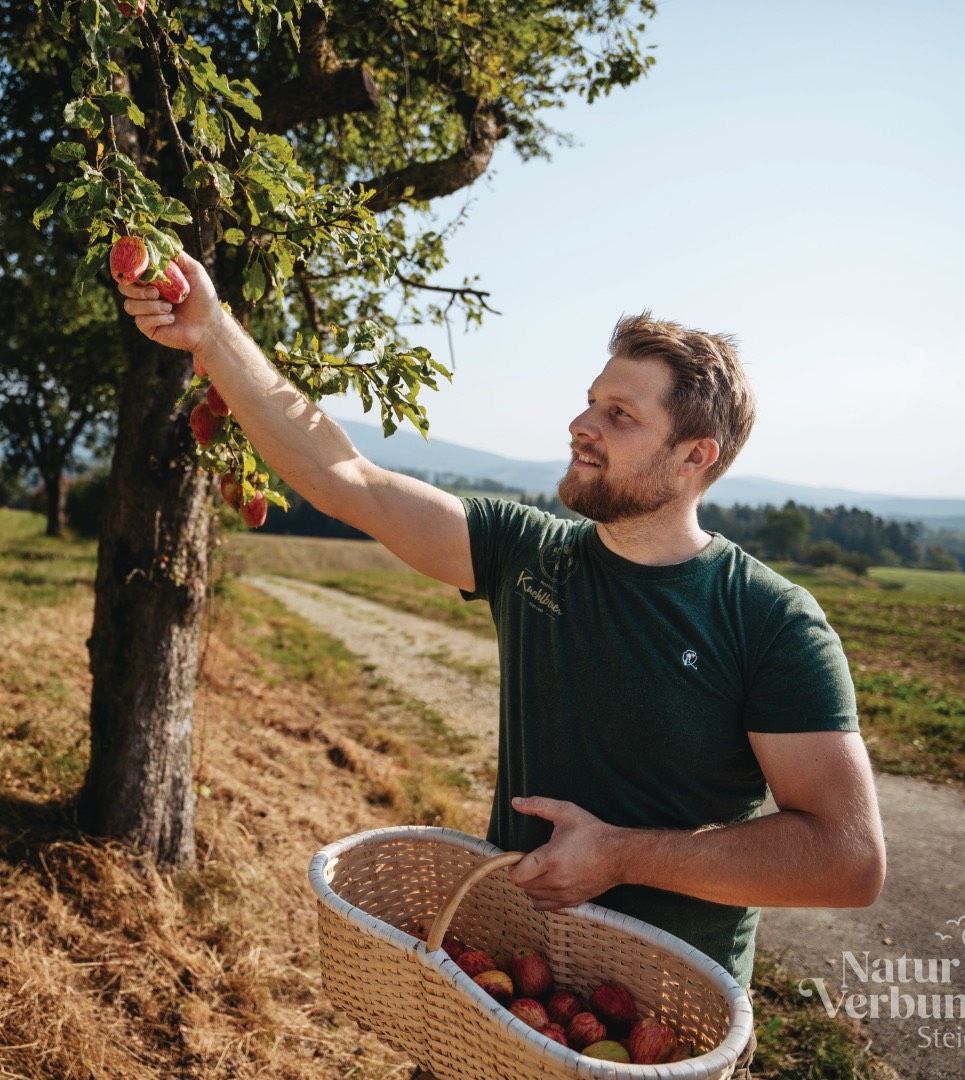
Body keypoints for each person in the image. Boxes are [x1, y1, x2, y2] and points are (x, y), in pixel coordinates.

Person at [118, 252, 886, 1078]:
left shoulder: (768, 620)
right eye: (590, 401)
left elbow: (845, 858)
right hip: (504, 1000)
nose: (581, 424)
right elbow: (348, 480)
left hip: (663, 1026)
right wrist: (214, 333)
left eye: (620, 415)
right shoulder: (531, 555)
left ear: (695, 456)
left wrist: (621, 854)